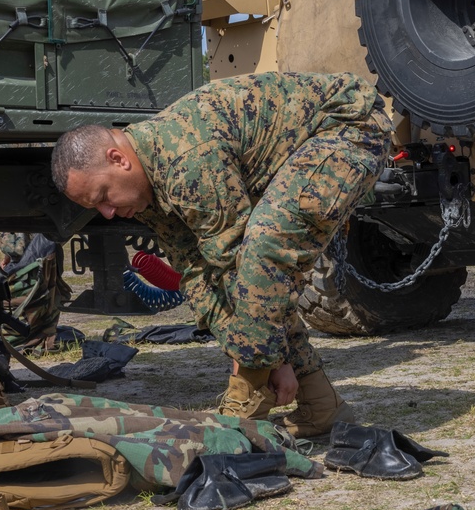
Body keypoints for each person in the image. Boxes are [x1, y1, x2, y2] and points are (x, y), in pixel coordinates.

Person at [51, 72, 393, 438]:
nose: (106, 213)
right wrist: (266, 355)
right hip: (303, 150)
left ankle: (245, 405)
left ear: (118, 159)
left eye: (104, 197)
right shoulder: (146, 190)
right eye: (95, 207)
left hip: (347, 126)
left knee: (265, 246)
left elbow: (247, 268)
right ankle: (322, 403)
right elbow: (200, 274)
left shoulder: (186, 160)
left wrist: (253, 362)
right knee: (255, 272)